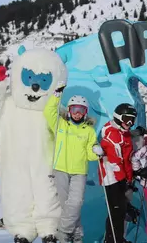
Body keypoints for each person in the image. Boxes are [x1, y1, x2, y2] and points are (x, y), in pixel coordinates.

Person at [43, 84, 101, 243]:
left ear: (85, 112)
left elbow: (90, 154)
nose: (77, 113)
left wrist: (96, 151)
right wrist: (56, 96)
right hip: (60, 169)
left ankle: (62, 235)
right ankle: (76, 237)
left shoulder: (88, 131)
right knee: (66, 207)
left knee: (75, 204)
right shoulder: (60, 124)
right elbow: (49, 112)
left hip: (79, 172)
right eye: (74, 109)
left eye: (81, 110)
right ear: (69, 110)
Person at [98, 103, 137, 243]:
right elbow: (115, 162)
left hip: (121, 178)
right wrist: (123, 181)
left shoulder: (124, 133)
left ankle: (115, 238)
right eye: (127, 119)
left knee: (120, 210)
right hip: (112, 178)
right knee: (117, 211)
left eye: (133, 119)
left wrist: (129, 178)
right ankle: (113, 239)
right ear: (119, 117)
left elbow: (127, 159)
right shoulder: (111, 134)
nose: (130, 123)